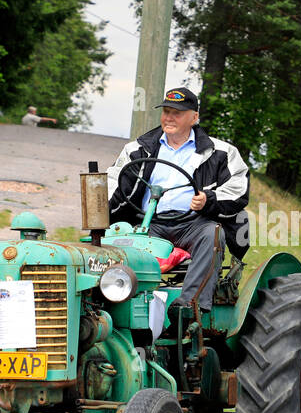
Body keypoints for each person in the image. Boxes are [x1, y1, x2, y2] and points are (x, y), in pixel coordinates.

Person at [106, 87, 250, 312]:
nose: (169, 118)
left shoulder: (221, 152)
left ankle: (190, 308)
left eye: (177, 113)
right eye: (166, 112)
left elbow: (238, 189)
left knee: (212, 234)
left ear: (194, 117)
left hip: (193, 224)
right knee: (120, 239)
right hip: (149, 224)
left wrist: (208, 200)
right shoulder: (137, 149)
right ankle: (122, 302)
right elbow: (113, 180)